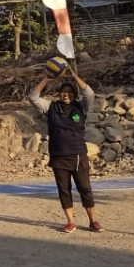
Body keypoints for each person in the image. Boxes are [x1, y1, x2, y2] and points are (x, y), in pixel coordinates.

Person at [29, 70, 103, 233]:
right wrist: (46, 78)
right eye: (63, 92)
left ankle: (93, 221)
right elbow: (33, 97)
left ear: (74, 94)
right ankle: (70, 221)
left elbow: (89, 93)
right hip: (59, 156)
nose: (66, 95)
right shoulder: (51, 107)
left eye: (69, 92)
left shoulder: (81, 107)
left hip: (78, 155)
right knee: (64, 189)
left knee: (85, 188)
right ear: (59, 94)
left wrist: (74, 75)